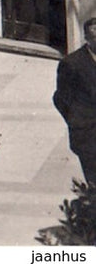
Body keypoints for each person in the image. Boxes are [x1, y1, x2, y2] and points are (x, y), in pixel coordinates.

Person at [54, 16, 96, 183]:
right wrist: (79, 121)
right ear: (87, 39)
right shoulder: (71, 64)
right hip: (89, 138)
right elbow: (60, 99)